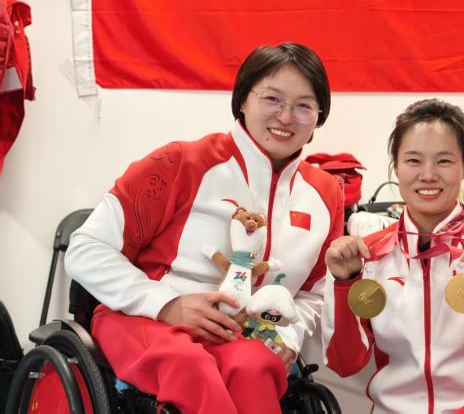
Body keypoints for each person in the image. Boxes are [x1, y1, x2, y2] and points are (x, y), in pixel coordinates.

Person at [64, 43, 344, 414]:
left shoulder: (325, 193)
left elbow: (314, 293)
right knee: (189, 365)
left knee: (256, 367)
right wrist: (166, 305)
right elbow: (85, 248)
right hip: (141, 319)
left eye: (304, 105)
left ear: (319, 116)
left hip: (239, 335)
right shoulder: (182, 162)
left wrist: (288, 335)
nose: (286, 116)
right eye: (272, 99)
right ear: (243, 100)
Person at [322, 99, 464, 414]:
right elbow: (343, 364)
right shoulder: (368, 254)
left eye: (444, 161)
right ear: (396, 167)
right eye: (413, 160)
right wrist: (344, 282)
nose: (428, 175)